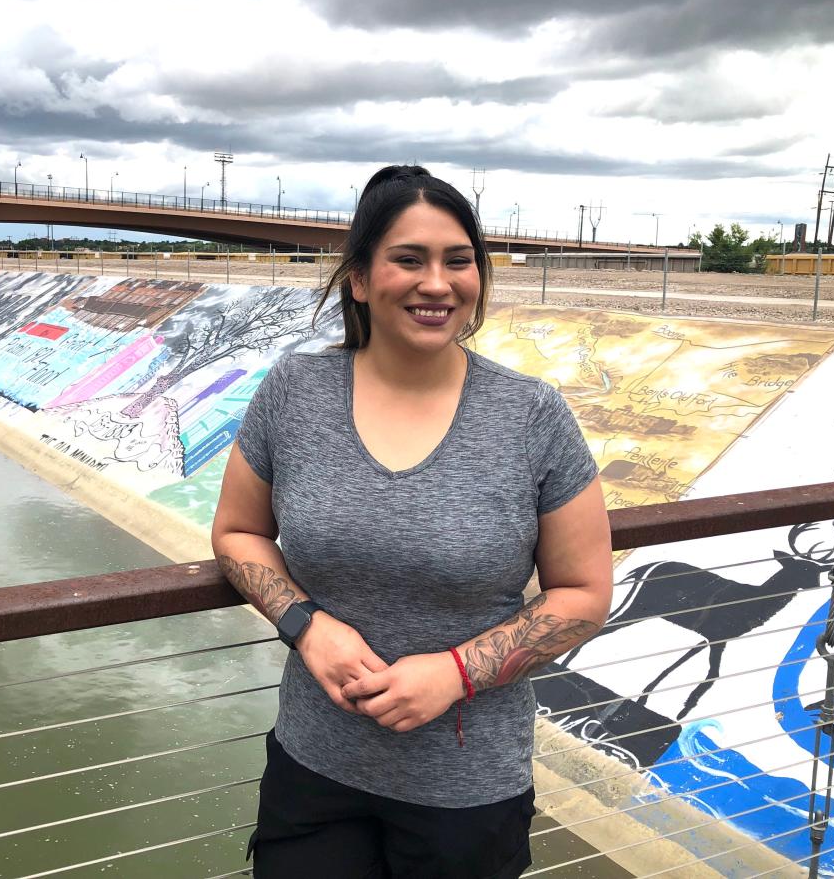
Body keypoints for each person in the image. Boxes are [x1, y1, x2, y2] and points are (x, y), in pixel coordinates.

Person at [211, 165, 613, 878]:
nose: (438, 283)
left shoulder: (532, 417)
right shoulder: (295, 393)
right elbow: (238, 533)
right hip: (314, 776)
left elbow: (584, 594)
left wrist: (456, 673)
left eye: (459, 261)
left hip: (467, 799)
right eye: (408, 259)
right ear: (360, 279)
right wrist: (308, 625)